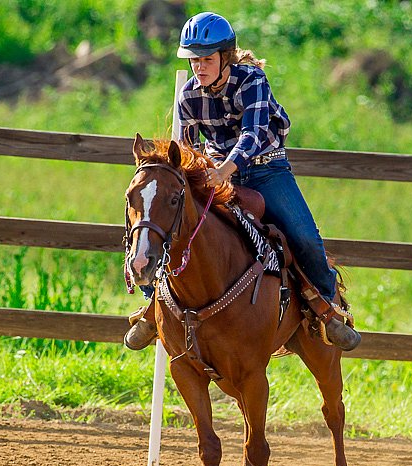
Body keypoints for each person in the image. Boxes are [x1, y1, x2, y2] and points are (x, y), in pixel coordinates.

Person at [124, 11, 360, 352]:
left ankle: (328, 311)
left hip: (267, 170)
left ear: (226, 57)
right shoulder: (188, 97)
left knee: (305, 237)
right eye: (194, 60)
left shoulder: (251, 81)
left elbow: (253, 133)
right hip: (216, 172)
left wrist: (225, 169)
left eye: (206, 59)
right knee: (172, 226)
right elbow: (186, 147)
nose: (199, 68)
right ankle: (153, 306)